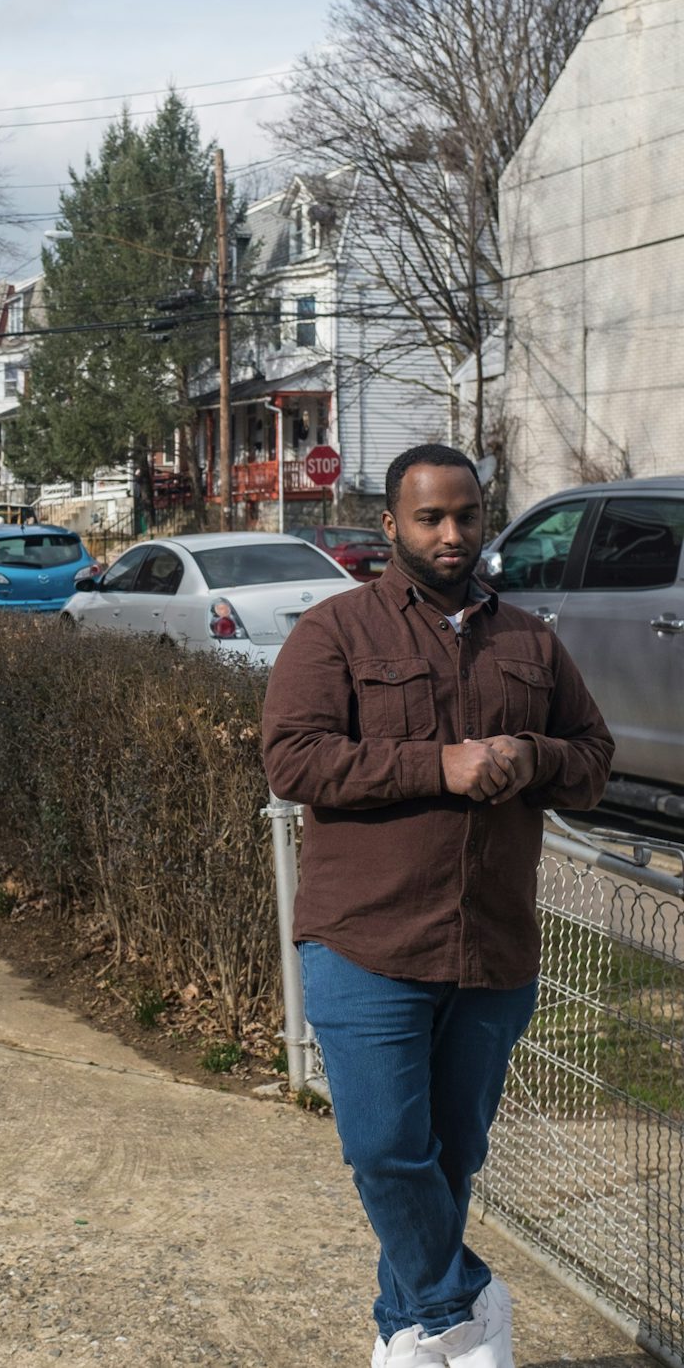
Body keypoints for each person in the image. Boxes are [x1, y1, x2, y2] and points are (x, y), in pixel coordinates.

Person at [262, 444, 613, 1368]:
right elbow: (293, 759)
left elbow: (592, 760)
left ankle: (410, 1334)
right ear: (391, 525)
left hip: (492, 949)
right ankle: (465, 1299)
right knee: (384, 1148)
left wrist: (530, 757)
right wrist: (440, 763)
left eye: (465, 514)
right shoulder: (334, 632)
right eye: (430, 517)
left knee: (450, 1159)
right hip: (366, 939)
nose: (451, 533)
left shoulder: (530, 640)